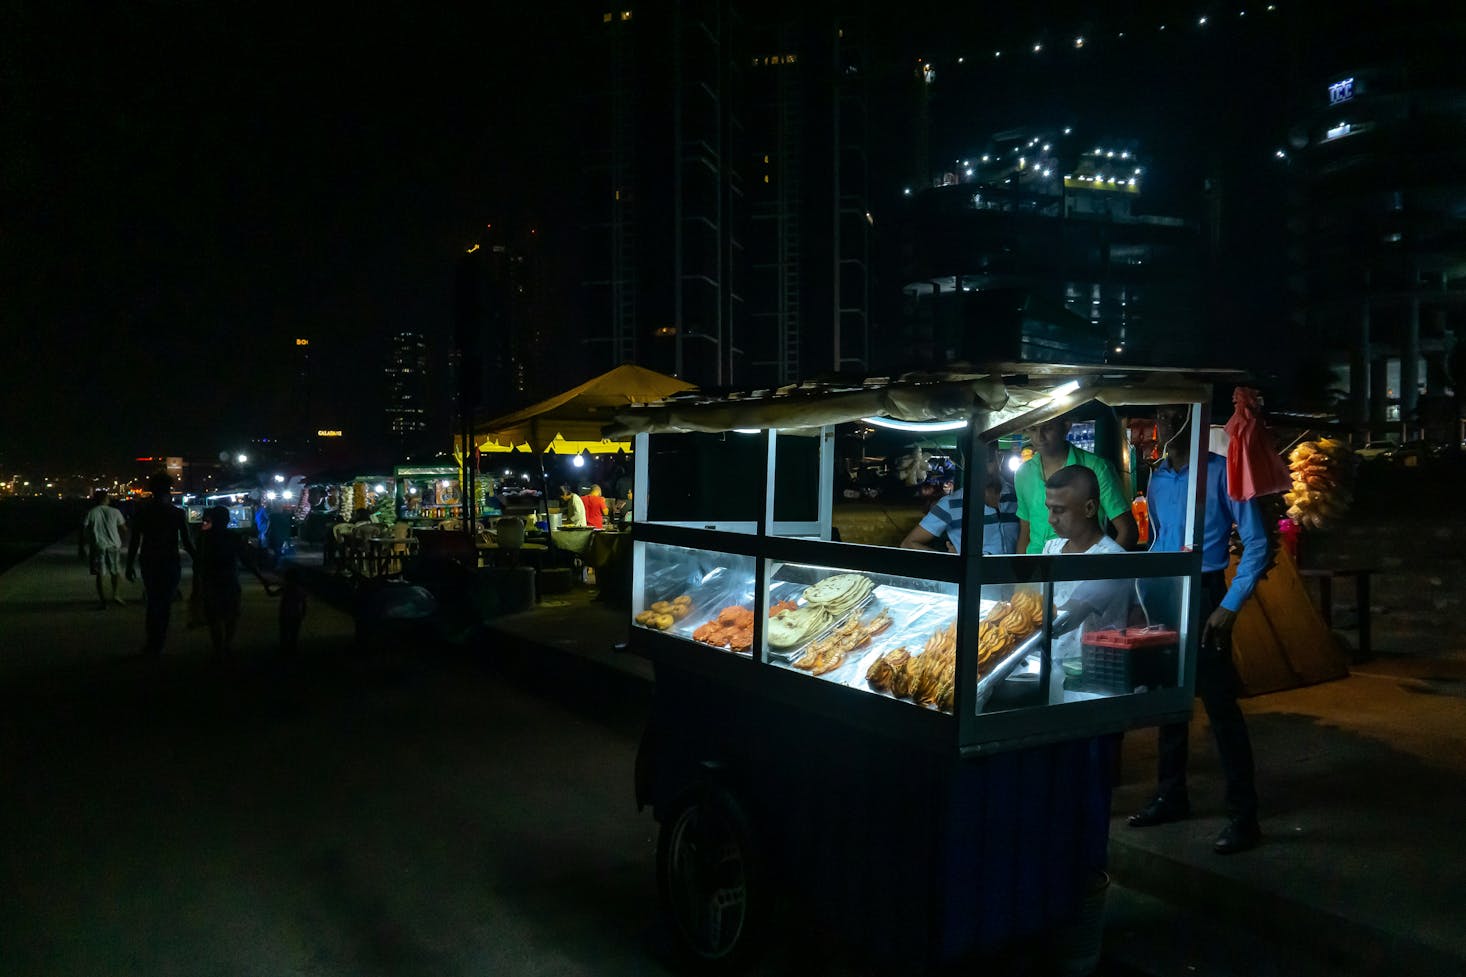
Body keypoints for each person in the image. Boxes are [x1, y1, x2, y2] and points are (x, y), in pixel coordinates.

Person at [1127, 404, 1269, 855]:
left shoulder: (1223, 473)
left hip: (1206, 591)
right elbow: (1158, 539)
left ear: (1192, 420)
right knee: (1170, 704)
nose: (1164, 425)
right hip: (1165, 591)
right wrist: (1140, 592)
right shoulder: (1157, 478)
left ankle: (1244, 817)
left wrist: (1228, 606)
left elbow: (1258, 544)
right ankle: (1171, 795)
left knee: (1221, 707)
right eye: (1162, 416)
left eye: (1174, 415)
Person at [1040, 465, 1132, 701]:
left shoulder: (1111, 558)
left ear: (1089, 508)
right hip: (1053, 668)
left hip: (1095, 675)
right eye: (1049, 509)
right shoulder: (1051, 548)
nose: (1051, 519)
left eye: (1059, 511)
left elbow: (1069, 616)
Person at [1015, 417, 1138, 554]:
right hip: (1036, 569)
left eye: (1048, 428)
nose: (1039, 437)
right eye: (1033, 429)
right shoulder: (1023, 474)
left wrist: (1100, 569)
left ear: (1066, 426)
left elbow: (1127, 530)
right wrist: (1022, 573)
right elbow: (1025, 534)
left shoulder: (1097, 468)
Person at [125, 472, 198, 656]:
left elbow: (135, 541)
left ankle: (152, 641)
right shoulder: (177, 513)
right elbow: (188, 543)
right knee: (165, 603)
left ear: (151, 490)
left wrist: (129, 565)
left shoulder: (143, 513)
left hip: (149, 560)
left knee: (153, 601)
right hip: (170, 560)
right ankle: (159, 641)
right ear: (169, 490)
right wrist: (200, 560)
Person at [901, 449, 1018, 555]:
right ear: (964, 463)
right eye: (974, 462)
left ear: (1000, 458)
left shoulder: (1018, 496)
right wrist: (951, 560)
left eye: (988, 461)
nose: (980, 468)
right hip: (975, 578)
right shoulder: (950, 504)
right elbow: (908, 544)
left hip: (1017, 577)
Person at [193, 504, 275, 656]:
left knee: (214, 617)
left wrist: (196, 587)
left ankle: (218, 647)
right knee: (231, 615)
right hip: (229, 580)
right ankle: (226, 645)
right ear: (227, 519)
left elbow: (197, 564)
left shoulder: (203, 538)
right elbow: (246, 560)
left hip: (210, 581)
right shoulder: (233, 537)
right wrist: (261, 579)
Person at [79, 490, 128, 609]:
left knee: (100, 574)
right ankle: (116, 595)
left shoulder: (91, 512)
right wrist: (124, 541)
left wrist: (81, 546)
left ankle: (103, 601)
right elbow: (124, 529)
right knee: (115, 571)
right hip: (114, 546)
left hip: (98, 546)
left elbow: (83, 529)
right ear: (106, 499)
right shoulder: (115, 512)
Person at [278, 566, 307, 655]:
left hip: (285, 615)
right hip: (295, 616)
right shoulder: (300, 590)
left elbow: (271, 594)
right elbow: (304, 604)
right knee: (293, 636)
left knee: (285, 635)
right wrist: (303, 614)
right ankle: (292, 653)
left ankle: (285, 654)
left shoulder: (285, 588)